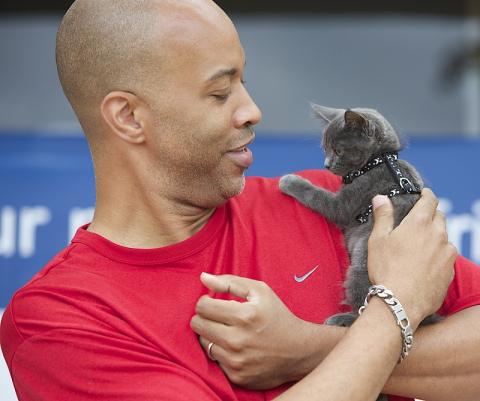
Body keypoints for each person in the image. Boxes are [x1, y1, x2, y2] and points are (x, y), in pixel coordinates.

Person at [0, 1, 479, 400]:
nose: (252, 110)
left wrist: (308, 348)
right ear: (128, 117)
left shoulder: (327, 201)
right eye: (220, 92)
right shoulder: (61, 318)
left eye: (244, 83)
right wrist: (393, 309)